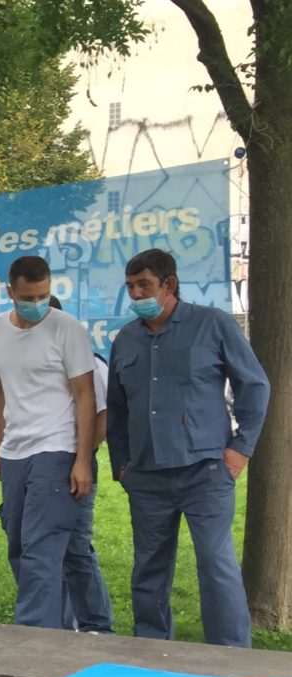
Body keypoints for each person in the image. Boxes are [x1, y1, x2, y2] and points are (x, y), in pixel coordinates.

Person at [108, 247, 271, 647]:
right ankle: (151, 651)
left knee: (216, 565)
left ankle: (230, 657)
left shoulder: (212, 324)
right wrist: (122, 464)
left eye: (144, 285)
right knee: (149, 568)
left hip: (206, 470)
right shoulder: (126, 339)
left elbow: (254, 385)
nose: (136, 294)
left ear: (169, 285)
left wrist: (241, 448)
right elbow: (117, 407)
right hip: (146, 475)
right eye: (130, 286)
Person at [0, 254, 97, 629]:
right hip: (15, 452)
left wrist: (82, 460)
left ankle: (34, 638)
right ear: (10, 292)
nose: (37, 305)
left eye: (43, 296)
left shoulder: (68, 329)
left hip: (57, 448)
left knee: (41, 549)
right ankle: (58, 628)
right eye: (28, 298)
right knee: (17, 546)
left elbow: (85, 397)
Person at [47, 296, 114, 634]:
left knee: (75, 549)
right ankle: (58, 625)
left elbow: (102, 419)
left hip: (76, 466)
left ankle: (96, 625)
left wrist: (81, 458)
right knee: (46, 550)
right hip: (40, 464)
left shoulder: (89, 362)